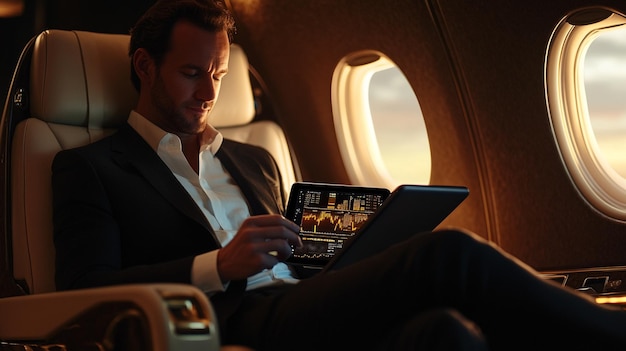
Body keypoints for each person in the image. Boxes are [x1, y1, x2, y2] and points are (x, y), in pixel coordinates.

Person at [51, 0, 626, 350]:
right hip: (222, 321)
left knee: (446, 333)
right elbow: (84, 292)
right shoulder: (92, 169)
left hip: (303, 302)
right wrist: (218, 265)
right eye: (190, 73)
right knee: (447, 256)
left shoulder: (254, 159)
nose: (208, 92)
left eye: (219, 75)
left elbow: (298, 263)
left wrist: (350, 249)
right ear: (144, 66)